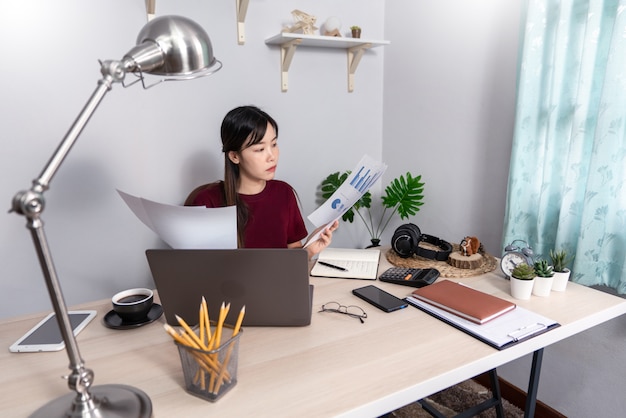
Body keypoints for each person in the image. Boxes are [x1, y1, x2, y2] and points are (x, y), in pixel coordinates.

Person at [187, 105, 338, 259]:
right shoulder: (207, 202)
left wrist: (310, 249)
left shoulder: (283, 193)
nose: (272, 156)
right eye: (260, 149)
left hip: (278, 283)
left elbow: (292, 259)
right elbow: (198, 267)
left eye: (273, 144)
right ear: (234, 156)